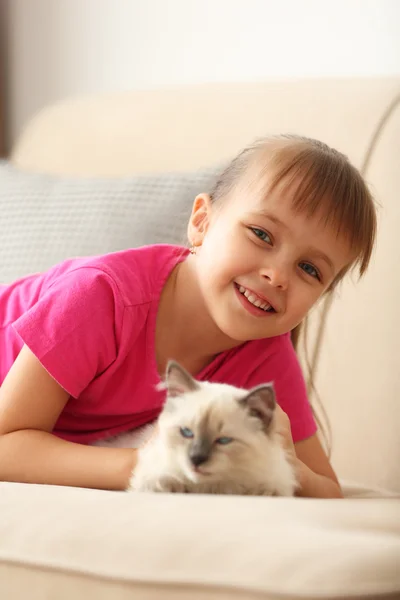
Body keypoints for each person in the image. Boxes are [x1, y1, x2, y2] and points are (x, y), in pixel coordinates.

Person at [0, 135, 376, 498]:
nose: (277, 276)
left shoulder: (265, 356)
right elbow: (5, 445)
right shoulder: (100, 297)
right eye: (262, 234)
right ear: (201, 222)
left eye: (309, 269)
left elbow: (327, 488)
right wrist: (145, 465)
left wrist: (279, 461)